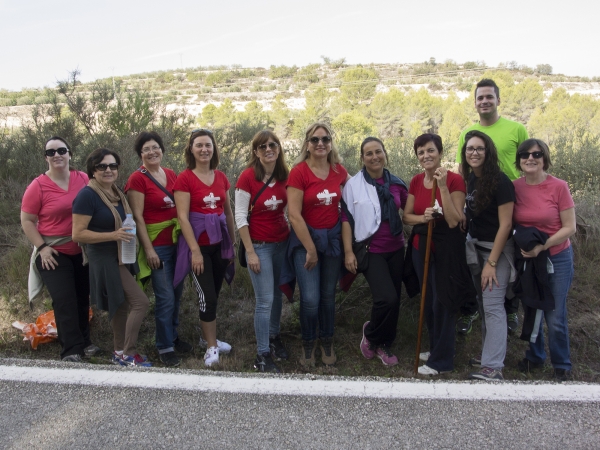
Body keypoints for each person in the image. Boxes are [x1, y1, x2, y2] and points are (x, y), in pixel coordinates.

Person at [455, 78, 530, 335]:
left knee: (513, 261)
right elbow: (461, 171)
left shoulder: (516, 129)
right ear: (475, 103)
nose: (484, 101)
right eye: (480, 97)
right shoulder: (468, 134)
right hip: (481, 209)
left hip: (512, 203)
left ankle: (512, 309)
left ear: (498, 100)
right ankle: (481, 310)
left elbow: (528, 163)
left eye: (489, 96)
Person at [72, 148, 152, 367]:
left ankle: (118, 351)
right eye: (102, 166)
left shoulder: (116, 193)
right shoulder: (87, 195)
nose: (108, 170)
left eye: (112, 166)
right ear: (93, 170)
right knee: (140, 302)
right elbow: (77, 233)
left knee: (121, 304)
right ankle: (128, 352)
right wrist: (113, 235)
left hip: (119, 256)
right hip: (105, 258)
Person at [403, 133, 474, 376]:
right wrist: (423, 218)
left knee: (442, 301)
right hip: (421, 246)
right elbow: (407, 216)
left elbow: (454, 220)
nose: (426, 156)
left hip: (446, 248)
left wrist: (441, 186)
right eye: (421, 152)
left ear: (440, 153)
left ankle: (442, 360)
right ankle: (436, 348)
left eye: (430, 150)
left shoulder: (454, 181)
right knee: (428, 300)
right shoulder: (415, 181)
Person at [21, 136, 96, 362]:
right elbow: (27, 221)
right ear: (46, 157)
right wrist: (42, 247)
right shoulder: (38, 186)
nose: (57, 155)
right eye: (51, 152)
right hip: (53, 251)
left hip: (82, 250)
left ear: (69, 154)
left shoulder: (82, 178)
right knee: (64, 300)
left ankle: (85, 341)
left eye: (61, 150)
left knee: (83, 298)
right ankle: (71, 350)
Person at [125, 131, 191, 367]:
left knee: (176, 294)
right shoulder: (137, 179)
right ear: (140, 154)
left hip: (177, 244)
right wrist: (149, 250)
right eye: (146, 149)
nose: (152, 152)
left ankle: (172, 336)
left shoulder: (171, 174)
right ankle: (164, 346)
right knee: (165, 298)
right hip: (158, 247)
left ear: (162, 150)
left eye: (155, 148)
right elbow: (138, 218)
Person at [512, 139, 576, 382]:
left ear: (544, 158)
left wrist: (543, 246)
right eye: (525, 154)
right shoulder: (514, 187)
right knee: (531, 306)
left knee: (555, 314)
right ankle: (535, 357)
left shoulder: (559, 187)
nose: (531, 158)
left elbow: (569, 227)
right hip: (529, 258)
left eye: (537, 154)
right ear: (519, 160)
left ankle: (561, 363)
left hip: (556, 256)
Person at [341, 137, 408, 366]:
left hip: (397, 248)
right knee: (386, 298)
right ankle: (370, 335)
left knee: (394, 299)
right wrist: (348, 252)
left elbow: (409, 213)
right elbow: (346, 219)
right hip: (371, 250)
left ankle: (384, 344)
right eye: (368, 153)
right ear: (362, 158)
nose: (374, 157)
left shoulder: (398, 184)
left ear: (385, 154)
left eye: (378, 151)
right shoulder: (353, 186)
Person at [287, 122, 348, 367]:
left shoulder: (339, 171)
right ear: (307, 145)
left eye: (325, 139)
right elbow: (294, 214)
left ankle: (327, 340)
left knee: (327, 296)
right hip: (306, 241)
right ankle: (308, 343)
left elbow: (358, 190)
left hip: (332, 240)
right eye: (315, 140)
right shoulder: (299, 172)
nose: (320, 143)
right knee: (310, 298)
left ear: (331, 143)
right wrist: (310, 249)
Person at [173, 129, 235, 368]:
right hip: (198, 247)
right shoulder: (185, 178)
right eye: (198, 145)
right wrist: (195, 251)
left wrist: (231, 245)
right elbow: (183, 217)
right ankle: (211, 348)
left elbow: (227, 212)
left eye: (208, 145)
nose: (204, 149)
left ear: (213, 148)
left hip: (219, 244)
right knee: (206, 296)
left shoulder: (221, 177)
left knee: (213, 294)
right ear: (191, 149)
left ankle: (206, 337)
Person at [460, 131, 515, 381]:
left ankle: (493, 367)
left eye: (479, 148)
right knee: (484, 305)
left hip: (497, 252)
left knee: (493, 306)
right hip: (476, 248)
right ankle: (488, 356)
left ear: (488, 151)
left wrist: (492, 263)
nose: (474, 152)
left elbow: (505, 225)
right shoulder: (471, 179)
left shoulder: (501, 182)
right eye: (470, 148)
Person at [235, 130, 290, 373]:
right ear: (256, 152)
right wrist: (250, 252)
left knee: (277, 295)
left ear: (279, 148)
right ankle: (262, 354)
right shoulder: (247, 177)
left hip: (282, 243)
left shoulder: (284, 175)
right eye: (263, 146)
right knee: (264, 301)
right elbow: (239, 217)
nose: (269, 149)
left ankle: (274, 337)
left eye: (273, 145)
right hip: (259, 246)